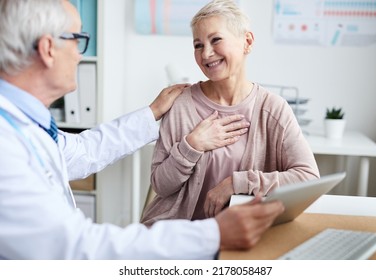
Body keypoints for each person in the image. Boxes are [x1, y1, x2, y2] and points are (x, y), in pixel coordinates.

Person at [0, 0, 285, 259]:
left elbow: (81, 151)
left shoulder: (23, 126)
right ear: (48, 49)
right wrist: (214, 233)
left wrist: (151, 113)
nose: (78, 56)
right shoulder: (6, 143)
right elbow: (73, 246)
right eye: (78, 40)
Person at [141, 0, 319, 226]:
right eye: (198, 45)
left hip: (242, 235)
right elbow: (160, 185)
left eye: (216, 40)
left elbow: (308, 178)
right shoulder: (181, 105)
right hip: (181, 236)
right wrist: (191, 146)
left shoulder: (273, 109)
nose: (206, 53)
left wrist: (236, 183)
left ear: (247, 41)